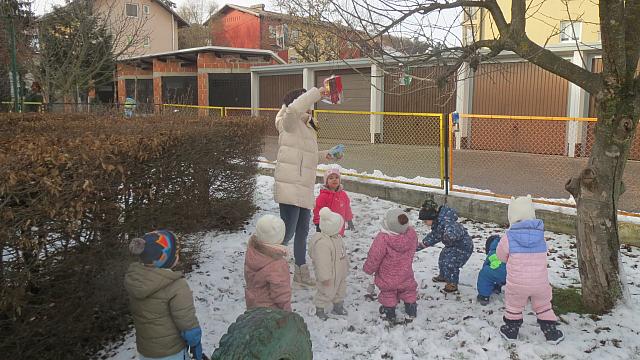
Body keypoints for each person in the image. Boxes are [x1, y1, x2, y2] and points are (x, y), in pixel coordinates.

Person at [274, 87, 344, 287]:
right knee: (286, 233)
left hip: (304, 186)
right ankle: (267, 265)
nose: (311, 107)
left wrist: (328, 155)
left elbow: (309, 156)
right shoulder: (289, 121)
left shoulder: (307, 127)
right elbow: (293, 110)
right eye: (308, 102)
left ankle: (300, 270)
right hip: (289, 185)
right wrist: (318, 92)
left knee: (303, 231)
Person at [125, 230, 204, 360]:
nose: (178, 256)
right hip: (172, 353)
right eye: (176, 253)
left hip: (146, 353)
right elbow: (186, 322)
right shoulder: (176, 286)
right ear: (165, 257)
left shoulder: (135, 279)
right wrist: (195, 343)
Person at [496, 195, 564, 344]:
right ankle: (551, 333)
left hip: (517, 284)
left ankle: (511, 330)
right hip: (540, 284)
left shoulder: (508, 237)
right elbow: (544, 253)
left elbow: (500, 256)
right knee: (544, 306)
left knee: (514, 306)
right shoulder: (540, 236)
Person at [363, 209, 418, 323]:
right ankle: (411, 308)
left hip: (387, 275)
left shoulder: (383, 238)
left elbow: (375, 256)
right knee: (408, 290)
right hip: (405, 272)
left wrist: (369, 269)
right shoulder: (411, 234)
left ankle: (389, 312)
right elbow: (413, 249)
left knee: (388, 293)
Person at [418, 199, 474, 293]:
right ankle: (444, 275)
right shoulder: (438, 225)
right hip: (451, 245)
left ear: (431, 218)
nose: (424, 223)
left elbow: (455, 231)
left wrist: (448, 234)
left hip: (463, 247)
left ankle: (452, 284)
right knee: (442, 258)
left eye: (425, 221)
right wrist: (416, 247)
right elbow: (432, 238)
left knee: (450, 263)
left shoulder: (447, 222)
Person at [308, 207, 349, 320]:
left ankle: (338, 306)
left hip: (340, 272)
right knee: (325, 292)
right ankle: (319, 308)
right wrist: (325, 277)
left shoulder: (337, 238)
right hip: (329, 276)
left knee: (340, 290)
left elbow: (343, 253)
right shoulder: (322, 244)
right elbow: (322, 263)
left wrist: (346, 265)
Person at [244, 215, 292, 311]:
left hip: (252, 302)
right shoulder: (278, 264)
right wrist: (287, 312)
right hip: (271, 311)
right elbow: (281, 294)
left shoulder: (253, 250)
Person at [313, 168, 354, 236]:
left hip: (339, 228)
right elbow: (318, 210)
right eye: (331, 178)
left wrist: (349, 220)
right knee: (326, 245)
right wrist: (318, 223)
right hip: (326, 228)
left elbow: (347, 208)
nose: (334, 179)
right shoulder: (323, 196)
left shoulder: (343, 195)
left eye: (337, 177)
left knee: (337, 244)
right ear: (326, 182)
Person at [476, 235, 507, 305]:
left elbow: (485, 265)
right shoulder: (509, 247)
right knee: (499, 270)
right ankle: (497, 286)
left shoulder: (493, 253)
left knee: (485, 274)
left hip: (501, 274)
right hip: (514, 273)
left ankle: (484, 296)